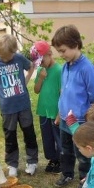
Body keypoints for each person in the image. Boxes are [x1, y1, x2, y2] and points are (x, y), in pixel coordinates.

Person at [51, 24, 94, 188]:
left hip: (79, 121)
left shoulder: (86, 68)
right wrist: (60, 114)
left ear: (76, 45)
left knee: (82, 153)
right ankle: (67, 173)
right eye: (59, 51)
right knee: (65, 149)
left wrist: (85, 114)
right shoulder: (66, 66)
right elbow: (64, 93)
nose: (61, 54)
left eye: (63, 50)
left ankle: (85, 180)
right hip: (66, 119)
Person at [0, 34, 38, 177]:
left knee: (29, 133)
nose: (5, 59)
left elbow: (31, 66)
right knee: (10, 136)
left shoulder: (19, 58)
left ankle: (32, 161)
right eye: (3, 57)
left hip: (23, 104)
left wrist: (25, 82)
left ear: (14, 51)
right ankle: (12, 164)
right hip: (7, 108)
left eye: (8, 57)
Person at [30, 40, 62, 174]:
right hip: (43, 110)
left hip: (55, 112)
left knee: (58, 137)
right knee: (47, 137)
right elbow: (36, 90)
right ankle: (52, 159)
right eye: (39, 63)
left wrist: (60, 113)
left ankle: (61, 160)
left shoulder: (60, 70)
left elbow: (63, 94)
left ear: (50, 53)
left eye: (42, 61)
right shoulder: (41, 70)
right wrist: (41, 78)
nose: (41, 64)